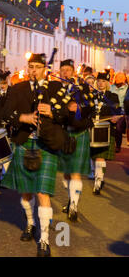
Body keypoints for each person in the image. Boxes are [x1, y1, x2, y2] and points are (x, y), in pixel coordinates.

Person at [1, 53, 68, 257]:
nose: (33, 70)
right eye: (31, 66)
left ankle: (44, 239)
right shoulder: (18, 89)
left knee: (42, 192)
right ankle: (30, 223)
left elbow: (66, 113)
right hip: (24, 142)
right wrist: (24, 117)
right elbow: (4, 114)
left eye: (38, 67)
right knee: (26, 191)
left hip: (45, 144)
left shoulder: (56, 88)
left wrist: (51, 112)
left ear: (45, 69)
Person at [58, 59, 94, 223]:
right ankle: (70, 198)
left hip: (79, 133)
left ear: (73, 72)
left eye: (68, 70)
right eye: (62, 70)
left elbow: (91, 107)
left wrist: (78, 108)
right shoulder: (56, 89)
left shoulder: (83, 88)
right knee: (66, 172)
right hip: (63, 133)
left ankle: (74, 205)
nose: (65, 72)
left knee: (75, 172)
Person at [91, 72, 120, 194]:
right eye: (98, 81)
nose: (100, 83)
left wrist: (116, 117)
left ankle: (98, 182)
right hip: (92, 129)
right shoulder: (91, 96)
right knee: (95, 157)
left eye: (103, 81)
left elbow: (118, 112)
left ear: (107, 83)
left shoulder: (113, 96)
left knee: (100, 157)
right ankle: (99, 177)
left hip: (106, 129)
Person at [110, 72, 129, 153]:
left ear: (124, 79)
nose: (119, 79)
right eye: (117, 77)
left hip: (121, 111)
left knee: (118, 128)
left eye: (121, 77)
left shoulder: (127, 88)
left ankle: (118, 146)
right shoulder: (111, 87)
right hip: (111, 110)